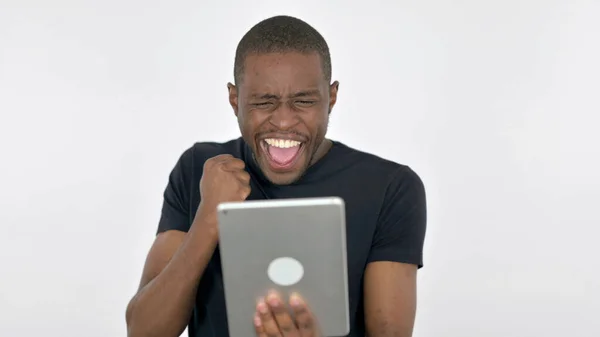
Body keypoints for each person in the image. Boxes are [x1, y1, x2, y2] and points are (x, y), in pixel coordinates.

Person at [125, 15, 427, 337]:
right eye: (264, 102)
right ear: (235, 99)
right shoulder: (200, 168)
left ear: (332, 97)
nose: (283, 121)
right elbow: (143, 330)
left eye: (304, 101)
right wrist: (209, 218)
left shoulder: (390, 188)